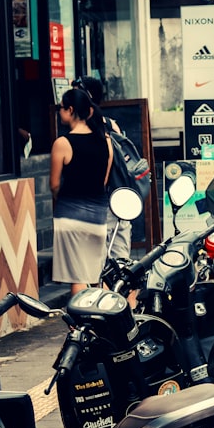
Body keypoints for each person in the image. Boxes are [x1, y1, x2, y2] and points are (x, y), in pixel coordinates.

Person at [50, 87, 114, 295]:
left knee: (77, 276)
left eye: (61, 108)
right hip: (97, 215)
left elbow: (54, 184)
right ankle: (104, 319)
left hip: (69, 215)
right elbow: (103, 180)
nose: (59, 112)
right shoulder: (106, 141)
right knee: (96, 274)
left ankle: (81, 324)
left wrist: (63, 200)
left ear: (70, 110)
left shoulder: (62, 143)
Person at [73, 75, 131, 261]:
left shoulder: (85, 128)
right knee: (120, 260)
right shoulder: (110, 123)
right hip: (119, 198)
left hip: (99, 201)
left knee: (97, 264)